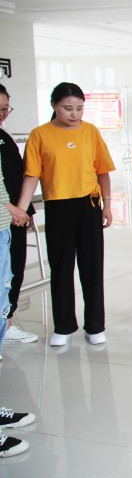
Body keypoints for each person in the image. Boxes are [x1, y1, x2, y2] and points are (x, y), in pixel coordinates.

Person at [15, 82, 115, 347]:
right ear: (54, 105)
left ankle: (95, 326)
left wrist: (107, 205)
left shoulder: (90, 132)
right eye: (68, 108)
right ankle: (64, 326)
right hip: (58, 207)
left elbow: (103, 171)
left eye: (80, 108)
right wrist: (21, 209)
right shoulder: (40, 135)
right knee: (60, 267)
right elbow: (32, 175)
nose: (74, 114)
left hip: (89, 205)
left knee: (92, 267)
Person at [0, 84, 37, 343]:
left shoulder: (5, 135)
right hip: (5, 215)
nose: (4, 114)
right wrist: (11, 209)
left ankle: (8, 321)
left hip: (16, 215)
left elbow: (18, 175)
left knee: (14, 270)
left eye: (6, 108)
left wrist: (23, 210)